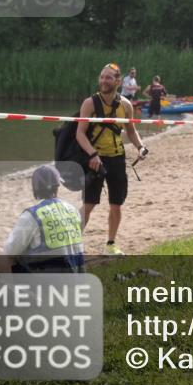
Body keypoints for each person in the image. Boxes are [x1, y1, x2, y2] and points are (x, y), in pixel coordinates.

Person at [78, 63, 147, 255]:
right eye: (101, 77)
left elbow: (131, 131)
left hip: (117, 159)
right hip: (95, 160)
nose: (103, 81)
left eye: (108, 77)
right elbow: (80, 134)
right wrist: (92, 154)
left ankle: (110, 244)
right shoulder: (89, 103)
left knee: (116, 205)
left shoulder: (126, 105)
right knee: (89, 204)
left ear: (118, 81)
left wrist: (140, 147)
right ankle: (72, 244)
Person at [0, 165, 85, 274]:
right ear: (57, 186)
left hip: (47, 282)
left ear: (35, 188)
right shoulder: (73, 210)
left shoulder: (32, 215)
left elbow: (10, 251)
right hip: (76, 278)